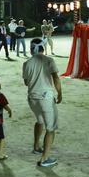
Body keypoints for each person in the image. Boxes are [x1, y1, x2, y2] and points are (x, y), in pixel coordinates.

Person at [22, 38, 62, 167]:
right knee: (51, 128)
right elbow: (56, 78)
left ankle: (36, 146)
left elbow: (26, 82)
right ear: (42, 48)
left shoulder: (26, 63)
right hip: (46, 98)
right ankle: (44, 159)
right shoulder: (49, 61)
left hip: (32, 98)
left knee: (39, 121)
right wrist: (60, 93)